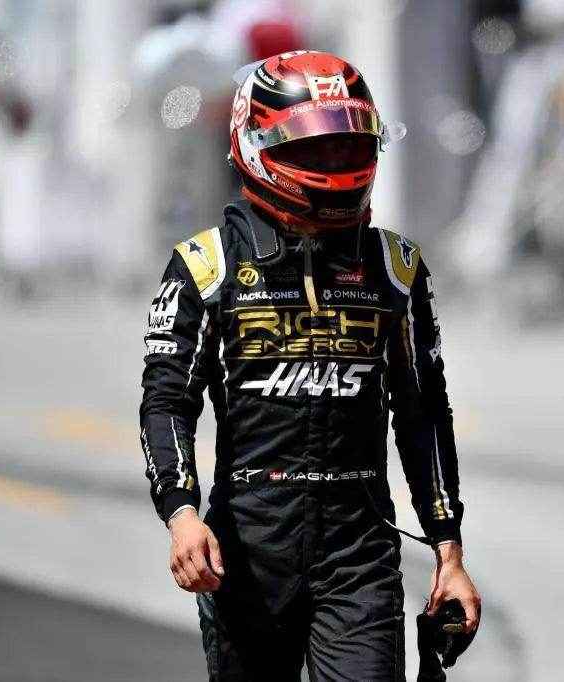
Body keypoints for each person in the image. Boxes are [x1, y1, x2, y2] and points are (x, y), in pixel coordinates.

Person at [139, 50, 480, 681]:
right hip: (246, 553)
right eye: (316, 148)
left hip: (359, 554)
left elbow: (425, 412)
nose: (335, 163)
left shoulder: (396, 269)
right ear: (256, 143)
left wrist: (448, 550)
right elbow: (166, 401)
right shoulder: (205, 266)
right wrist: (181, 514)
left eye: (347, 146)